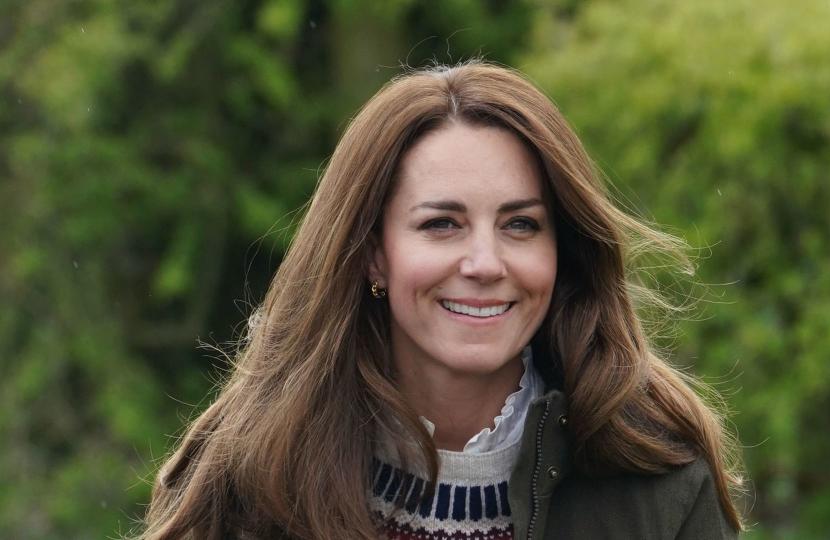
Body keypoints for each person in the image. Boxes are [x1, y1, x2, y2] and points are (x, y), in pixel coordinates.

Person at [142, 60, 744, 539]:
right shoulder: (248, 475)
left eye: (521, 225)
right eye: (441, 225)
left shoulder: (657, 474)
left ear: (563, 251)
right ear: (374, 253)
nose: (484, 264)